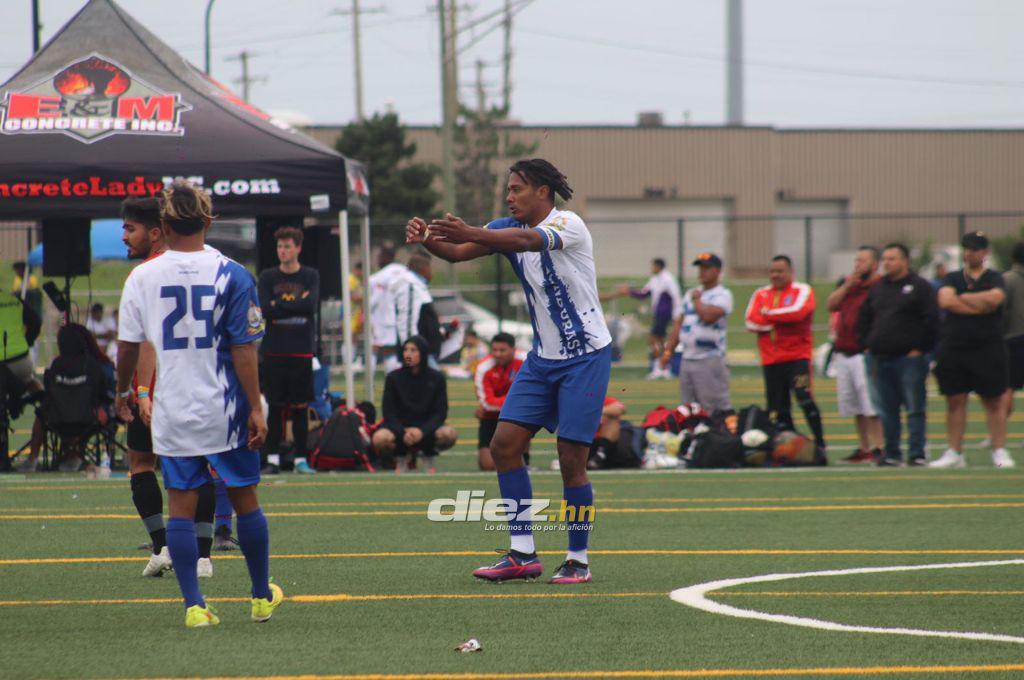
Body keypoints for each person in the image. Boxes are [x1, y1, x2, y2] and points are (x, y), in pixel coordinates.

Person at [409, 158, 612, 585]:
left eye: (517, 188)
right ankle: (522, 554)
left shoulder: (569, 224)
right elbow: (457, 253)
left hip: (585, 358)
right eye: (508, 189)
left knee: (570, 458)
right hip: (542, 359)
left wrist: (472, 231)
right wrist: (428, 240)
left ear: (543, 192)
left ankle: (578, 559)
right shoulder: (506, 227)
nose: (509, 196)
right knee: (503, 446)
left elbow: (525, 240)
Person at [115, 181, 281, 628]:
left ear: (164, 225)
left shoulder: (142, 277)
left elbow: (128, 347)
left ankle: (194, 606)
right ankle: (260, 596)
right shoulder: (234, 274)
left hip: (172, 408)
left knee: (181, 507)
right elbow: (244, 348)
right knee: (246, 499)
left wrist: (124, 390)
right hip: (225, 407)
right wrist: (256, 407)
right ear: (208, 221)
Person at [118, 196, 221, 576]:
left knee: (143, 464)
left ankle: (164, 547)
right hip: (198, 385)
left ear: (156, 232)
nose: (124, 236)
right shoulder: (210, 266)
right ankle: (202, 555)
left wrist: (140, 392)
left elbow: (141, 340)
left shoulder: (148, 275)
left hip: (159, 387)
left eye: (131, 229)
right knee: (200, 466)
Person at [930, 231, 1014, 469]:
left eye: (975, 249)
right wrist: (978, 304)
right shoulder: (953, 277)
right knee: (955, 400)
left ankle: (999, 449)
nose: (970, 253)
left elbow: (995, 299)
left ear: (985, 252)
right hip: (955, 347)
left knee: (994, 401)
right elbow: (946, 301)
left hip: (988, 347)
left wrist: (962, 298)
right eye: (967, 248)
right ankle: (954, 451)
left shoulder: (995, 277)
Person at [856, 242, 938, 466]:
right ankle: (892, 452)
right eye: (885, 259)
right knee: (886, 409)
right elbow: (864, 317)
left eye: (892, 259)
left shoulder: (920, 286)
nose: (887, 263)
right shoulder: (878, 287)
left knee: (914, 408)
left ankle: (917, 452)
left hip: (909, 359)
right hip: (879, 357)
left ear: (905, 261)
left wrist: (919, 349)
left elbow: (931, 319)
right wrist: (866, 345)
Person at [744, 255, 827, 462]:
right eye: (772, 271)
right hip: (771, 360)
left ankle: (820, 444)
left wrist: (768, 314)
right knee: (777, 408)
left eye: (780, 271)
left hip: (797, 358)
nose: (775, 275)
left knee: (804, 399)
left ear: (790, 272)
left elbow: (798, 313)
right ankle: (787, 450)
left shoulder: (802, 290)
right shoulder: (761, 293)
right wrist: (779, 320)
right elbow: (751, 322)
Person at [258, 227, 320, 473]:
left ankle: (300, 459)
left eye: (287, 246)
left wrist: (280, 306)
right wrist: (295, 303)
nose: (282, 251)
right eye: (279, 246)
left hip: (301, 351)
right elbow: (265, 309)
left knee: (300, 407)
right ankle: (272, 459)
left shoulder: (310, 275)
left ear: (298, 248)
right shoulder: (267, 277)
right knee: (274, 406)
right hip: (274, 351)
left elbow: (310, 306)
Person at [826, 246, 884, 463]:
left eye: (863, 261)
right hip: (844, 351)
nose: (858, 265)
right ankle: (864, 447)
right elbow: (831, 305)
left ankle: (880, 447)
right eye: (856, 260)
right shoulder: (850, 285)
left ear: (875, 264)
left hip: (864, 352)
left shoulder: (879, 287)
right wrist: (847, 285)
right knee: (856, 406)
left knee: (871, 405)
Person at [660, 252, 733, 414]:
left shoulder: (722, 294)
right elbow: (679, 324)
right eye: (700, 268)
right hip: (687, 358)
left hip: (710, 358)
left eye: (706, 268)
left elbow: (708, 317)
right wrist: (668, 352)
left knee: (712, 407)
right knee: (688, 407)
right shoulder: (691, 294)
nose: (702, 272)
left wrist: (697, 301)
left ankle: (717, 430)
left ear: (717, 271)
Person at [372, 335, 457, 473]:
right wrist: (402, 432)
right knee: (379, 438)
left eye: (413, 350)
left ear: (422, 353)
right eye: (406, 350)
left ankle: (427, 454)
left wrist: (422, 431)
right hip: (400, 429)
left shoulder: (437, 378)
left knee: (449, 434)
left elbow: (440, 413)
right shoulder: (393, 378)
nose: (408, 354)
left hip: (426, 428)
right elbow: (388, 412)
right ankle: (400, 457)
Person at [616, 258, 682, 380]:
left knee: (653, 339)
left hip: (664, 314)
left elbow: (676, 297)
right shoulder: (654, 279)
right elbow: (644, 294)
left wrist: (677, 315)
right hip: (658, 314)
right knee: (660, 342)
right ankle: (664, 369)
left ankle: (659, 368)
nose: (651, 268)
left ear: (659, 266)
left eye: (653, 266)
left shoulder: (668, 279)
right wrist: (629, 291)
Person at [474, 332, 528, 471]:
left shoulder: (526, 361)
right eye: (494, 350)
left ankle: (524, 457)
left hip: (517, 417)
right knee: (488, 466)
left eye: (502, 350)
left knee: (528, 418)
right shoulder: (483, 367)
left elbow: (530, 395)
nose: (497, 354)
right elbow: (487, 403)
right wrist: (516, 401)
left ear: (513, 349)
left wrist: (519, 402)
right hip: (490, 418)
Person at [391, 251, 443, 360]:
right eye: (430, 267)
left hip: (425, 352)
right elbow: (406, 322)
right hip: (417, 355)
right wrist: (410, 354)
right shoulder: (409, 286)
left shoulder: (418, 286)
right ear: (424, 268)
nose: (431, 271)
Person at [368, 241, 405, 372]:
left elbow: (372, 301)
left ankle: (370, 380)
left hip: (381, 319)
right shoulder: (403, 271)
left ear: (386, 256)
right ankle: (392, 378)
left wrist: (365, 311)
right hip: (399, 318)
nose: (378, 258)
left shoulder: (377, 277)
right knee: (391, 351)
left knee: (374, 348)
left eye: (380, 255)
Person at [1001, 242, 1024, 438]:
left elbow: (1001, 310)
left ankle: (999, 432)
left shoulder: (1007, 279)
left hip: (1013, 338)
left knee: (1008, 387)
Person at [588, 396, 626, 469]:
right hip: (583, 442)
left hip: (602, 443)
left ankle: (600, 455)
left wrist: (595, 411)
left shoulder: (601, 399)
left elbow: (620, 408)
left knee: (612, 419)